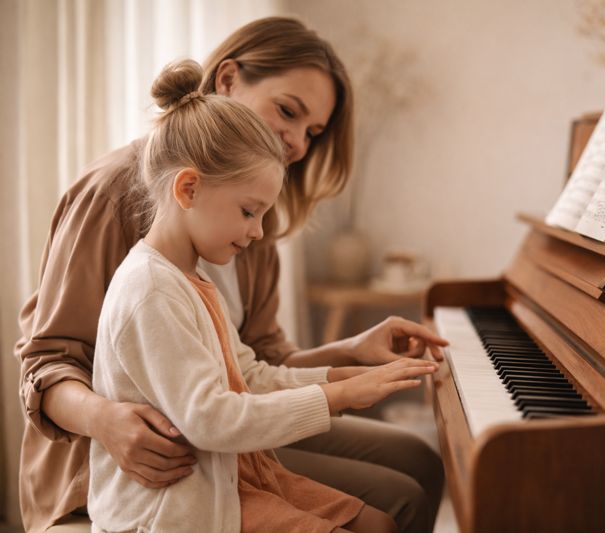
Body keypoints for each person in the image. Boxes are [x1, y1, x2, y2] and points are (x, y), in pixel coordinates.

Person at [16, 16, 447, 533]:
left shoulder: (249, 222)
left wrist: (350, 356)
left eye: (312, 133)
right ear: (227, 80)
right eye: (288, 111)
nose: (297, 143)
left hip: (217, 429)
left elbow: (252, 364)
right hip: (138, 464)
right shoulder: (117, 202)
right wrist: (107, 421)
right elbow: (48, 360)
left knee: (420, 460)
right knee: (398, 499)